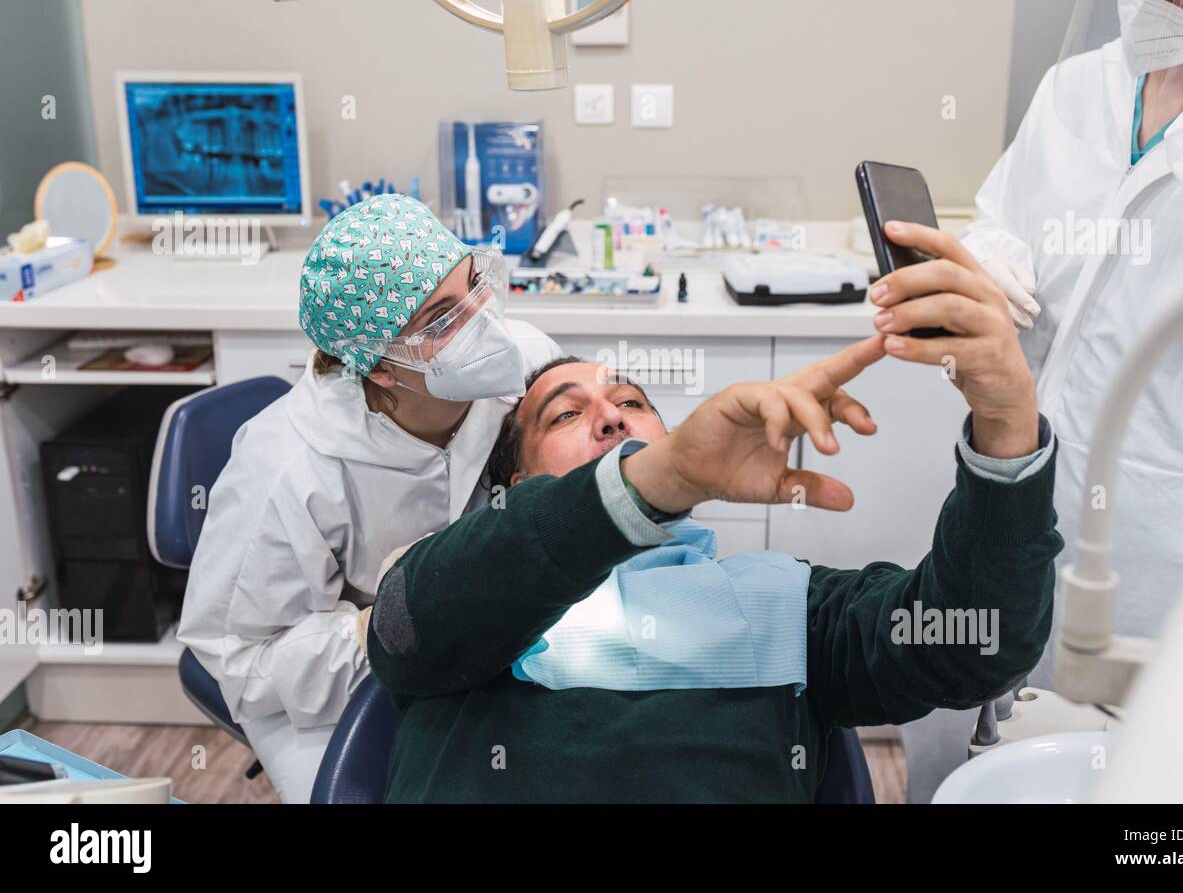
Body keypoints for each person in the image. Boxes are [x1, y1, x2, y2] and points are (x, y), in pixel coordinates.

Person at [365, 231, 1066, 802]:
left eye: (633, 403)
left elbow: (978, 643)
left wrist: (1006, 422)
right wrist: (650, 478)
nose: (610, 415)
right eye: (567, 414)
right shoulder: (469, 590)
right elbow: (399, 632)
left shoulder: (786, 602)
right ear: (517, 482)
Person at [900, 0, 1183, 801]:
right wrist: (991, 255)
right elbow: (1011, 209)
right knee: (1015, 732)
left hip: (1181, 527)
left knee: (1167, 779)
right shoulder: (1079, 88)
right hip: (1033, 480)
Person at [177, 194, 559, 803]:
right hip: (339, 676)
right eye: (441, 320)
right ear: (380, 367)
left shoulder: (523, 365)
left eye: (475, 286)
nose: (482, 324)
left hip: (495, 639)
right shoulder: (288, 469)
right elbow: (243, 664)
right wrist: (389, 629)